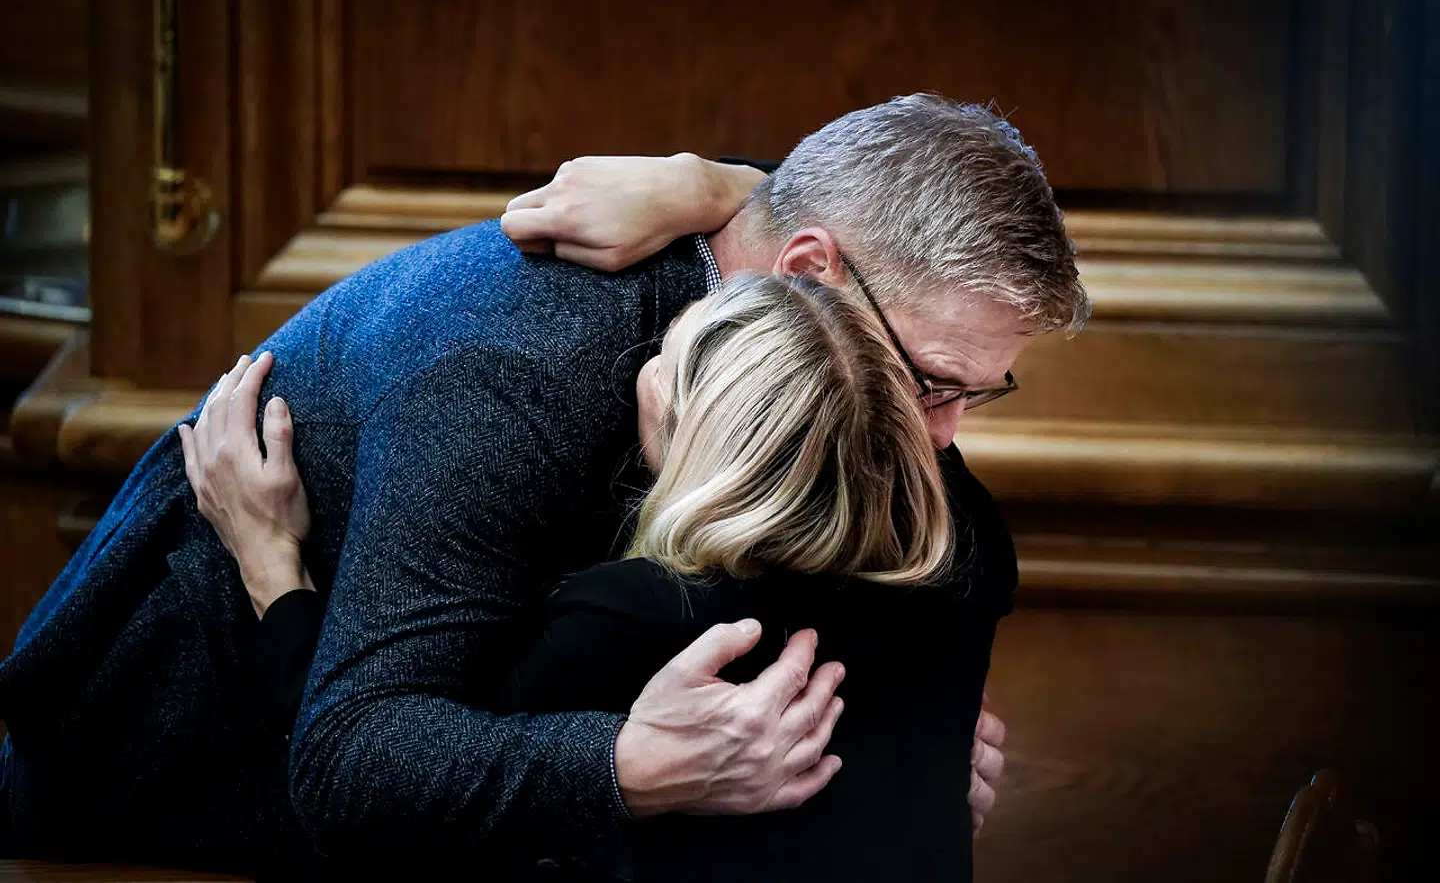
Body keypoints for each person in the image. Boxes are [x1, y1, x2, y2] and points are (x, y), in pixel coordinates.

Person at [0, 94, 1083, 875]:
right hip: (180, 787)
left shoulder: (829, 357)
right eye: (934, 383)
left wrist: (896, 751)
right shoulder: (518, 371)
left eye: (974, 393)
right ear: (806, 274)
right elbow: (354, 762)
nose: (943, 443)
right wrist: (624, 766)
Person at [185, 271, 1016, 882]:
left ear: (709, 440)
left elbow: (392, 807)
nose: (646, 361)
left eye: (675, 356)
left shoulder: (633, 612)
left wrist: (270, 565)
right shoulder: (970, 568)